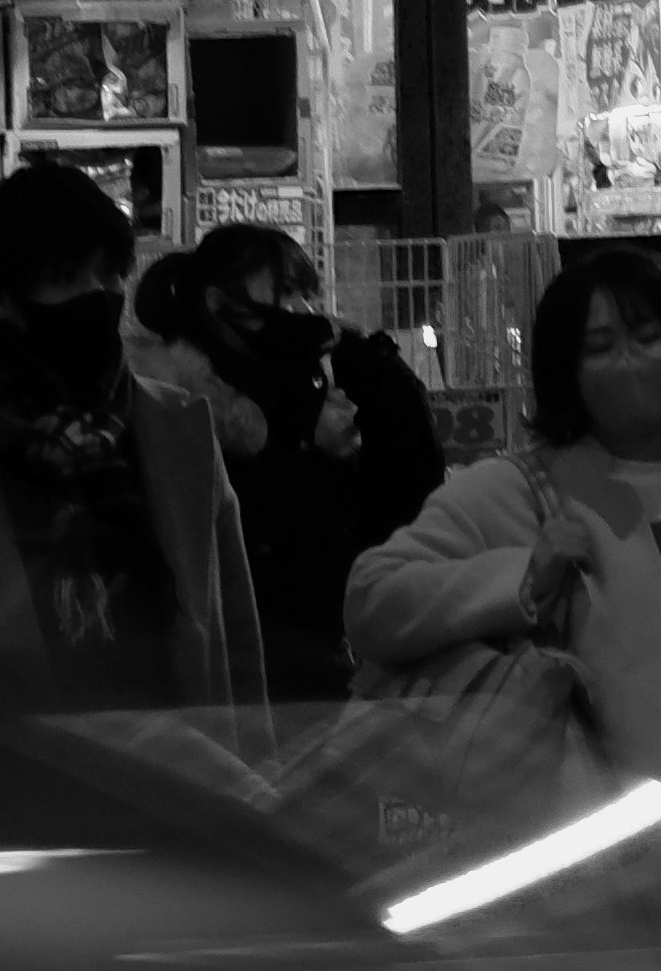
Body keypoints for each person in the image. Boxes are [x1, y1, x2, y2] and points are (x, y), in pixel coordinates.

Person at [341, 243, 661, 941]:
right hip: (584, 909)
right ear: (565, 373)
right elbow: (373, 601)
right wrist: (519, 578)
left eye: (647, 335)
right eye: (599, 346)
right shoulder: (516, 492)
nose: (629, 362)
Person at [0, 159, 267, 727]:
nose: (100, 297)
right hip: (4, 802)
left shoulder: (179, 431)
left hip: (185, 789)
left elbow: (235, 642)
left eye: (112, 276)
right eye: (69, 279)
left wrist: (255, 792)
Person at [152, 229, 445, 704]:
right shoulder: (182, 392)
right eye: (285, 293)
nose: (303, 310)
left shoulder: (355, 373)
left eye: (306, 294)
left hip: (331, 643)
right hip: (225, 652)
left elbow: (408, 502)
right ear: (217, 302)